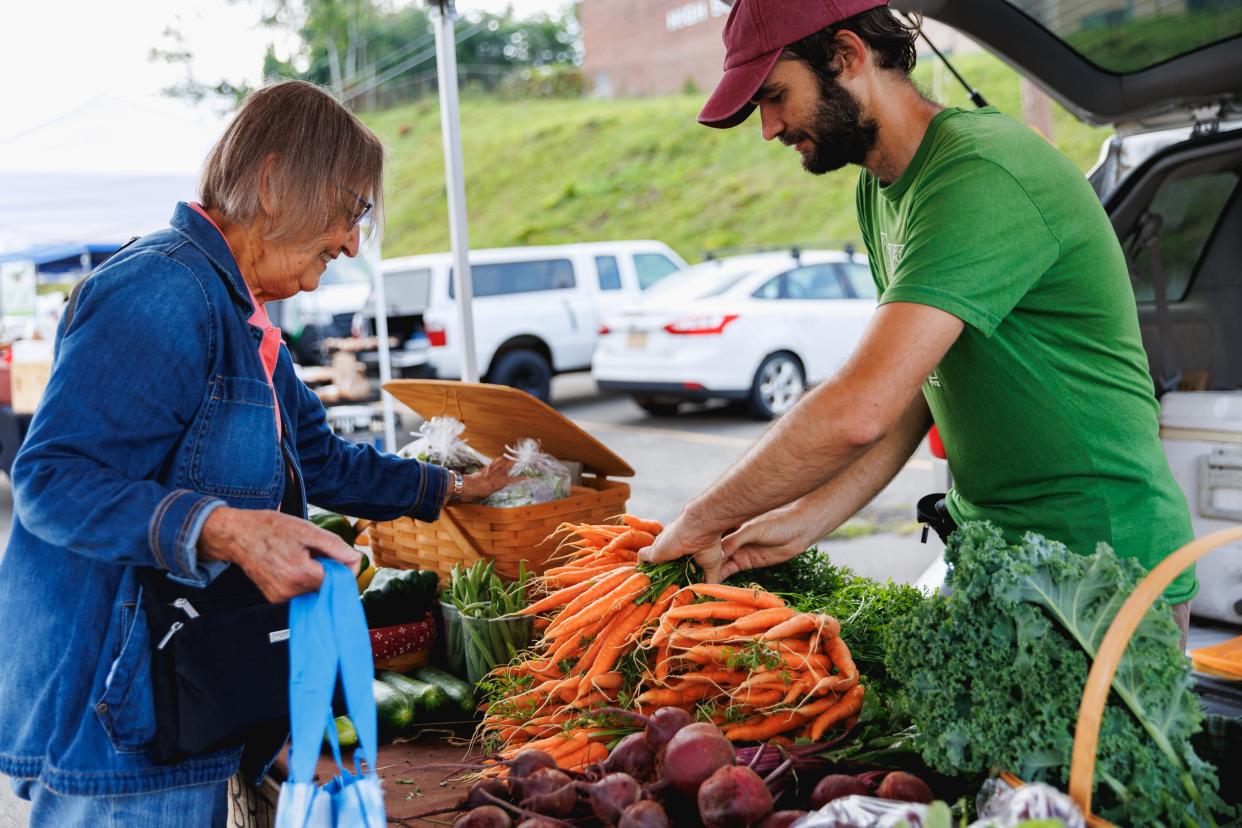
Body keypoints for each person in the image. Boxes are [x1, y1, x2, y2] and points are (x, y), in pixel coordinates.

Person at [0, 79, 512, 826]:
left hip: (182, 709)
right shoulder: (163, 292)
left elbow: (322, 457)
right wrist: (228, 529)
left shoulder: (241, 312)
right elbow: (51, 482)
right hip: (120, 734)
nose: (350, 241)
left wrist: (448, 489)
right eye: (350, 210)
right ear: (273, 183)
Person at [642, 0, 1196, 641]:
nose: (768, 128)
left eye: (774, 95)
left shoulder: (977, 172)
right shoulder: (880, 189)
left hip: (1104, 567)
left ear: (847, 57)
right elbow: (907, 396)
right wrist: (802, 521)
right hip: (992, 559)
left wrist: (699, 519)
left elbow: (858, 409)